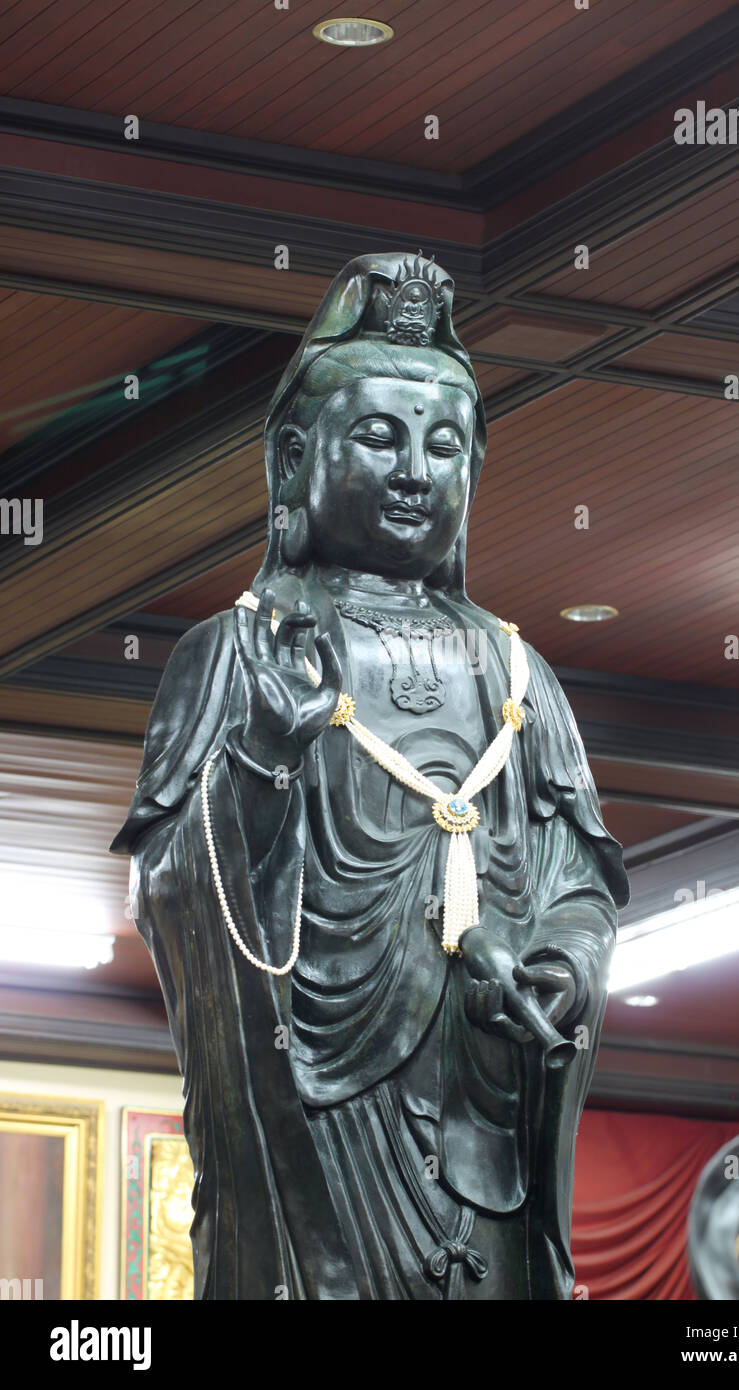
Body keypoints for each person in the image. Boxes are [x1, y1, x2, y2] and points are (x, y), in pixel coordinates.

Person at [112, 251, 629, 1300]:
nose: (413, 473)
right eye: (380, 437)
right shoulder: (238, 653)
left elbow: (579, 884)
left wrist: (559, 966)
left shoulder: (516, 673)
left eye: (443, 446)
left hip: (480, 1116)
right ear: (295, 457)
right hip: (312, 1113)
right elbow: (167, 892)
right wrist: (262, 759)